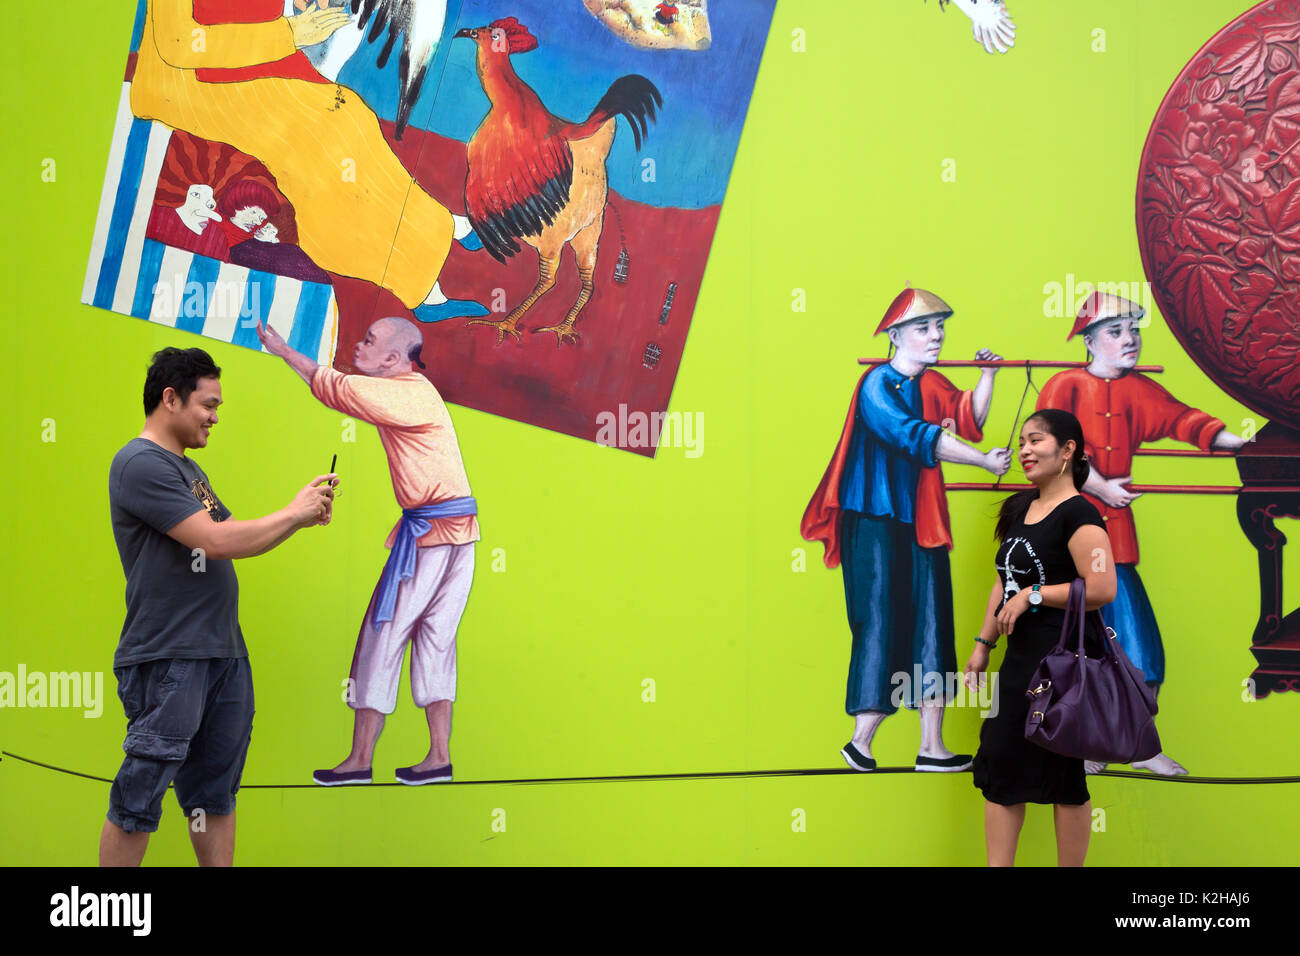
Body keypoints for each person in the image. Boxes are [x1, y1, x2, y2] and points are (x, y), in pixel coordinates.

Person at [103, 346, 337, 866]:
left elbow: (237, 536)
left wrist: (299, 515)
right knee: (140, 793)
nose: (214, 417)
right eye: (208, 405)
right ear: (170, 398)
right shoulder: (140, 464)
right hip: (170, 655)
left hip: (221, 655)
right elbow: (216, 541)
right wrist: (293, 513)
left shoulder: (189, 471)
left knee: (215, 796)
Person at [130, 0, 479, 318]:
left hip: (251, 63)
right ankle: (420, 290)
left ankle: (439, 226)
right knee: (320, 136)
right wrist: (291, 32)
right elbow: (180, 44)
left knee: (353, 116)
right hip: (188, 85)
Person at [255, 316, 478, 785]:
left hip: (431, 537)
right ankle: (439, 756)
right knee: (437, 639)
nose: (359, 344)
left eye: (370, 341)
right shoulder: (418, 392)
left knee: (383, 635)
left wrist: (284, 351)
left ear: (394, 360)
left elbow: (335, 388)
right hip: (458, 534)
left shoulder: (403, 392)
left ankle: (360, 760)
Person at [802, 286, 1011, 773]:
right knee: (878, 624)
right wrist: (981, 461)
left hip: (921, 521)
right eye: (924, 328)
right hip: (873, 520)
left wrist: (988, 377)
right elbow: (921, 437)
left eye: (939, 327)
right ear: (896, 335)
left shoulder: (932, 383)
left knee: (932, 624)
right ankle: (863, 740)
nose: (936, 336)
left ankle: (931, 746)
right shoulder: (875, 385)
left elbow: (968, 417)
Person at [1036, 291, 1245, 775]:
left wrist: (1241, 443)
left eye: (1134, 329)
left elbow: (1183, 420)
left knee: (1138, 647)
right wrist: (1102, 487)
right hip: (1064, 543)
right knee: (1073, 650)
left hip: (1114, 544)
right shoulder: (1064, 385)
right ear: (1089, 341)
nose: (1130, 340)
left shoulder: (1138, 389)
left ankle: (1138, 746)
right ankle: (1088, 745)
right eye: (1116, 331)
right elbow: (1050, 454)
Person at [963, 408, 1117, 867]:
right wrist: (982, 644)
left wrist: (1033, 595)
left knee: (1063, 772)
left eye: (1037, 441)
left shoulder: (1080, 514)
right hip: (1020, 660)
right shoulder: (1019, 508)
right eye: (1023, 442)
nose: (1025, 451)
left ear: (1068, 450)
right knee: (1001, 759)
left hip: (1065, 660)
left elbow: (1102, 587)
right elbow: (1002, 580)